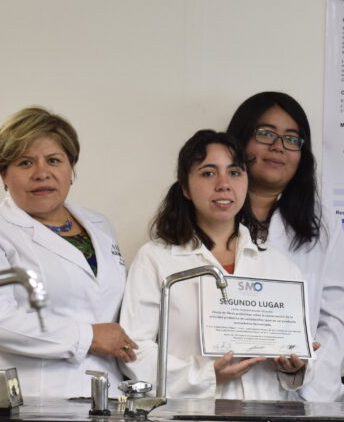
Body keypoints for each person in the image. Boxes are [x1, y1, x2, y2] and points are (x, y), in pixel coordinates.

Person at [0, 107, 137, 398]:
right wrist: (88, 337)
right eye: (25, 163)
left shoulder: (101, 226)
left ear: (71, 167)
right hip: (24, 399)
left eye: (54, 160)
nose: (42, 173)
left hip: (105, 395)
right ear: (3, 174)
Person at [120, 130, 311, 399]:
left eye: (234, 172)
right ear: (185, 187)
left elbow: (297, 351)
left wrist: (296, 365)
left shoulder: (279, 267)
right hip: (187, 416)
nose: (224, 184)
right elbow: (132, 350)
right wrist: (204, 376)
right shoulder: (155, 259)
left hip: (263, 416)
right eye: (208, 173)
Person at [227, 92, 344, 402]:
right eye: (266, 133)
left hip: (295, 401)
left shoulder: (322, 226)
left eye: (291, 139)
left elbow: (337, 320)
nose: (278, 147)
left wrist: (310, 383)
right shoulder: (207, 216)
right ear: (239, 141)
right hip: (217, 392)